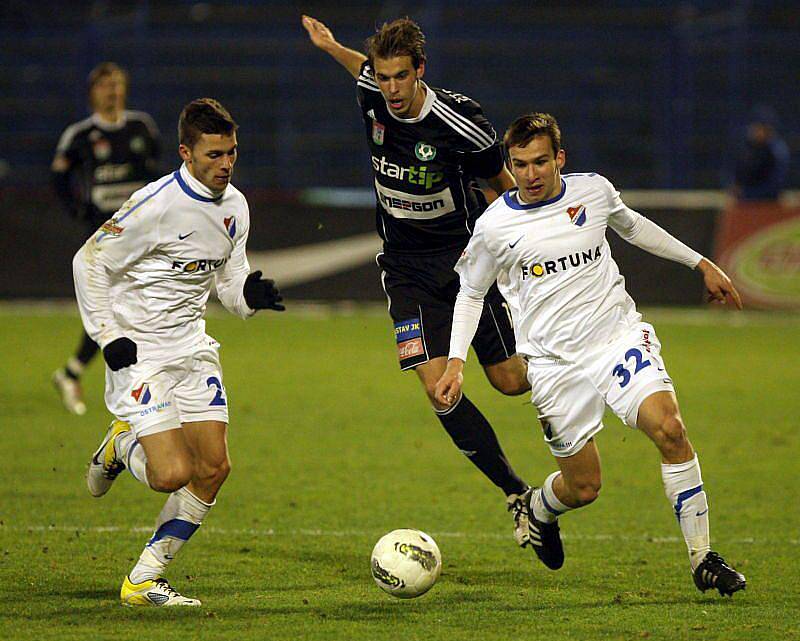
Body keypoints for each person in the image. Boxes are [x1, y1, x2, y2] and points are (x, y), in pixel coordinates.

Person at [435, 113, 747, 596]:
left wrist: (700, 262)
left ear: (559, 158)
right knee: (583, 487)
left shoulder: (593, 193)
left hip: (615, 339)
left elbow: (633, 226)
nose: (530, 174)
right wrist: (456, 361)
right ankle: (539, 507)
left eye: (540, 162)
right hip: (552, 365)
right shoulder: (494, 227)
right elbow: (471, 294)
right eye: (519, 164)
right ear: (509, 164)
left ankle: (703, 558)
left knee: (670, 428)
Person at [302, 15, 534, 547]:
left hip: (467, 267)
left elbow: (502, 188)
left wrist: (519, 256)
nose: (390, 89)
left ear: (420, 71)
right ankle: (516, 493)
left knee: (509, 382)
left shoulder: (462, 122)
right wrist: (330, 45)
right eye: (383, 78)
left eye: (400, 77)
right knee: (441, 391)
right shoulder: (372, 91)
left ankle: (576, 366)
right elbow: (356, 68)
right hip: (405, 273)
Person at [73, 98, 284, 606]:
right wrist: (107, 336)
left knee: (213, 468)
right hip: (139, 350)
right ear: (186, 152)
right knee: (171, 474)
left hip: (191, 347)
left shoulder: (235, 206)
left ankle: (144, 579)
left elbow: (230, 281)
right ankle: (121, 444)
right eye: (214, 154)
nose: (226, 164)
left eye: (232, 153)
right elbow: (89, 262)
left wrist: (248, 298)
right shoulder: (156, 205)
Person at [52, 62, 162, 415]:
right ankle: (90, 376)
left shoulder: (141, 127)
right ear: (93, 93)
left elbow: (154, 172)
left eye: (117, 84)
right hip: (103, 238)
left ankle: (73, 373)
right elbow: (58, 177)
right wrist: (79, 210)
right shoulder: (80, 135)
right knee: (117, 308)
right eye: (105, 85)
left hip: (142, 237)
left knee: (131, 307)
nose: (113, 91)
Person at [732, 105, 790, 201]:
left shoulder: (776, 150)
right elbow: (735, 171)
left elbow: (775, 184)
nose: (755, 131)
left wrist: (746, 193)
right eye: (754, 127)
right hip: (746, 202)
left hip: (766, 202)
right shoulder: (748, 147)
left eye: (759, 128)